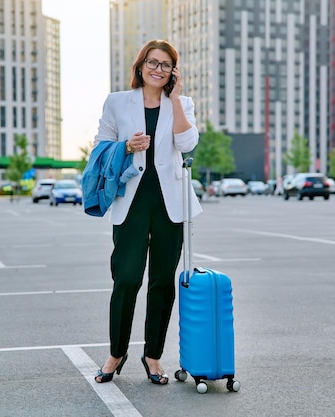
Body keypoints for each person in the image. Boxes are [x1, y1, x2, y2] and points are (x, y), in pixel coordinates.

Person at [91, 39, 202, 385]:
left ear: (173, 71)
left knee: (161, 283)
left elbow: (187, 144)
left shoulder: (181, 103)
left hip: (170, 204)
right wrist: (126, 146)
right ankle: (116, 354)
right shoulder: (117, 102)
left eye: (166, 65)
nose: (158, 69)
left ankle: (153, 357)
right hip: (132, 202)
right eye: (152, 63)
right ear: (140, 67)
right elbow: (99, 147)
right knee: (126, 279)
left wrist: (176, 98)